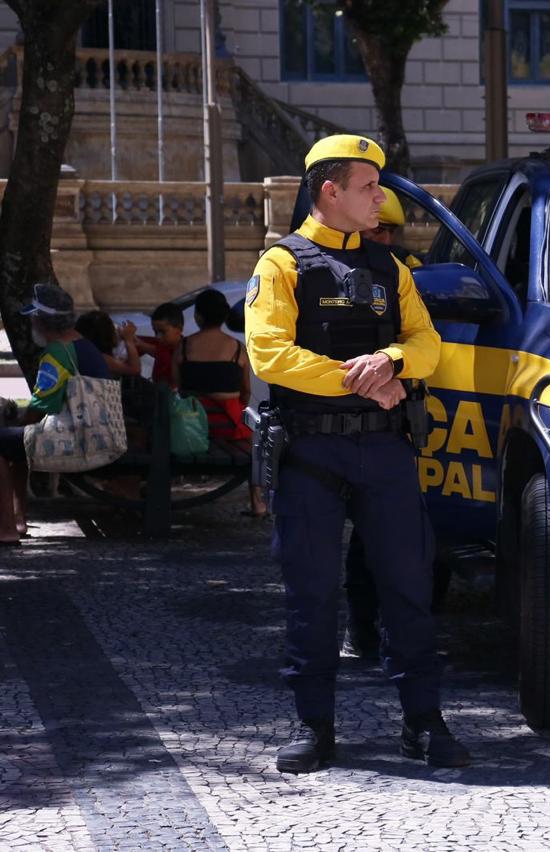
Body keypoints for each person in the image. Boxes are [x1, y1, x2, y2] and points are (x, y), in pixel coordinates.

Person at [245, 134, 469, 773]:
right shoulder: (281, 265)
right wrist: (362, 379)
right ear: (330, 191)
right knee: (311, 594)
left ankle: (423, 723)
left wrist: (391, 360)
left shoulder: (391, 268)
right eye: (369, 187)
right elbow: (270, 355)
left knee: (408, 586)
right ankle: (314, 727)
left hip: (384, 448)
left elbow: (428, 345)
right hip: (310, 451)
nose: (380, 199)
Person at [340, 188, 428, 660]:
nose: (384, 239)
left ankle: (398, 638)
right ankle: (360, 631)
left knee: (401, 538)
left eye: (390, 231)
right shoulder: (330, 273)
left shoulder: (407, 275)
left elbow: (426, 341)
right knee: (357, 540)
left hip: (395, 423)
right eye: (377, 231)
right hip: (338, 420)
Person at [0, 283, 110, 544]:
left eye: (33, 318)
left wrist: (17, 419)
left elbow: (41, 407)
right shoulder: (85, 346)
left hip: (76, 439)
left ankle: (5, 528)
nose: (31, 324)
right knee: (15, 442)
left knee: (3, 440)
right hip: (97, 432)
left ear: (42, 320)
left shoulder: (57, 352)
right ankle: (17, 519)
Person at [172, 288, 267, 518]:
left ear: (198, 316)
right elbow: (246, 392)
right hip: (229, 425)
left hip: (191, 423)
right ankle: (257, 502)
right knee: (254, 440)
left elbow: (177, 386)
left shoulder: (183, 347)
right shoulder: (237, 349)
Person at [75, 310, 141, 378]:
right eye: (113, 330)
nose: (116, 331)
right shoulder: (100, 357)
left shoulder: (82, 349)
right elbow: (134, 369)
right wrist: (128, 339)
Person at [136, 302, 184, 388]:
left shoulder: (187, 353)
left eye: (163, 332)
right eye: (155, 332)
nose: (158, 336)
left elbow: (159, 353)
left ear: (179, 328)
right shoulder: (160, 344)